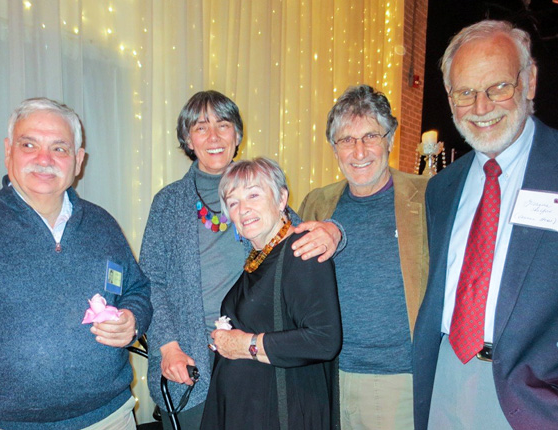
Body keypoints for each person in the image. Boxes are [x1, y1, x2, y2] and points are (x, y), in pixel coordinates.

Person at [139, 90, 343, 429]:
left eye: (224, 124)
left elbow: (295, 235)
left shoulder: (259, 186)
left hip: (257, 367)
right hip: (190, 362)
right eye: (201, 127)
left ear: (237, 134)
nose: (215, 136)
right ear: (188, 139)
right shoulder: (168, 203)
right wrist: (168, 346)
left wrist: (335, 231)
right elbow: (151, 282)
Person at [413, 20, 558, 430]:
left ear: (529, 81)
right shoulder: (442, 188)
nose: (481, 108)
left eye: (498, 86)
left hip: (539, 398)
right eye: (465, 92)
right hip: (446, 376)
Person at [0, 98, 152, 429]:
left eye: (59, 148)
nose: (44, 159)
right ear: (8, 150)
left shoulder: (102, 224)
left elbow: (136, 287)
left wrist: (133, 320)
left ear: (78, 161)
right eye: (29, 144)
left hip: (110, 418)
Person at [299, 84, 429, 429]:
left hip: (397, 380)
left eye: (370, 136)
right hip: (329, 377)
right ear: (333, 148)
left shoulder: (427, 197)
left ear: (390, 138)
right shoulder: (317, 203)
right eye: (346, 140)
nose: (359, 152)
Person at [200, 157, 342, 429]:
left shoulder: (302, 251)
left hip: (282, 414)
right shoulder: (260, 257)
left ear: (281, 199)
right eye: (233, 202)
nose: (243, 209)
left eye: (253, 194)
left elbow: (324, 339)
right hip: (251, 410)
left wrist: (247, 345)